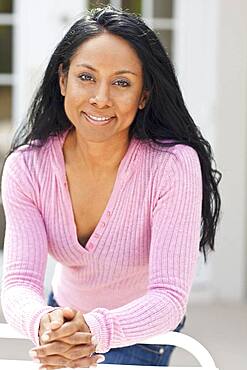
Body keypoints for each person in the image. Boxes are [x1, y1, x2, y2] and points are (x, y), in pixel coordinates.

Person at [0, 5, 222, 369]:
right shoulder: (27, 167)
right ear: (62, 80)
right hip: (64, 320)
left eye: (121, 82)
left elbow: (168, 298)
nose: (101, 97)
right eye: (86, 77)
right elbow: (19, 282)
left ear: (144, 95)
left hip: (143, 330)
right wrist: (46, 324)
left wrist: (94, 330)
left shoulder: (172, 166)